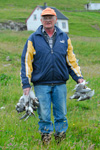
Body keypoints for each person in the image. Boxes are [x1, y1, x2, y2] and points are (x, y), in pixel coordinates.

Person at [21, 7, 84, 144]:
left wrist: (79, 77)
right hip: (41, 85)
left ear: (55, 19)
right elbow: (26, 63)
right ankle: (46, 141)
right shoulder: (33, 38)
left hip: (60, 84)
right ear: (41, 20)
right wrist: (26, 84)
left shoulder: (64, 37)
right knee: (44, 115)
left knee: (61, 114)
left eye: (50, 17)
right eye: (45, 17)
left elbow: (71, 60)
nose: (48, 20)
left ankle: (60, 140)